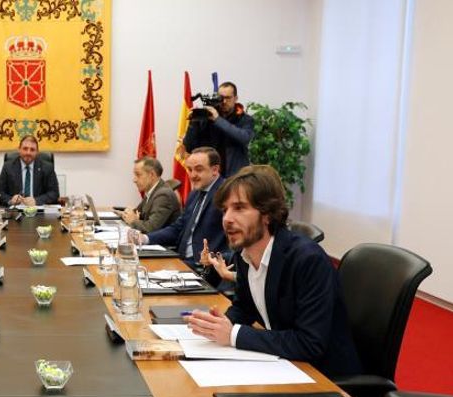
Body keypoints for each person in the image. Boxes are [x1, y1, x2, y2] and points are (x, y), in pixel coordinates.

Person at [184, 166, 362, 377]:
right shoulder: (245, 254)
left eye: (239, 208)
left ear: (267, 215)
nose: (227, 219)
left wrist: (233, 334)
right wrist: (219, 325)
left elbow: (310, 343)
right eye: (225, 210)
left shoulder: (307, 259)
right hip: (283, 364)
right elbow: (244, 307)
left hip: (323, 378)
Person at [135, 147, 228, 269]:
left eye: (199, 170)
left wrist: (213, 261)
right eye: (189, 169)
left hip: (205, 266)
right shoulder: (195, 193)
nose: (192, 175)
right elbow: (178, 227)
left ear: (215, 170)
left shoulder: (226, 192)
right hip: (181, 259)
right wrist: (145, 238)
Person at [182, 81, 254, 177]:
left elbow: (244, 138)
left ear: (235, 98)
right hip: (210, 176)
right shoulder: (207, 118)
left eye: (228, 98)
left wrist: (218, 120)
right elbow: (189, 147)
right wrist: (194, 122)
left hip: (234, 177)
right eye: (221, 98)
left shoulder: (245, 119)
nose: (224, 102)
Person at [118, 156, 182, 233]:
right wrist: (128, 213)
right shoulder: (152, 191)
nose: (134, 180)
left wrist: (133, 221)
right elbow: (138, 213)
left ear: (151, 175)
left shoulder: (164, 195)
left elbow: (151, 228)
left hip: (161, 244)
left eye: (138, 175)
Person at [0, 135, 60, 206]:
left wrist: (36, 201)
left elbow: (54, 193)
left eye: (32, 150)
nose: (28, 153)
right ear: (19, 149)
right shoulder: (8, 167)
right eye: (25, 149)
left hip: (39, 211)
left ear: (37, 152)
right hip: (15, 211)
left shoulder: (47, 167)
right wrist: (11, 200)